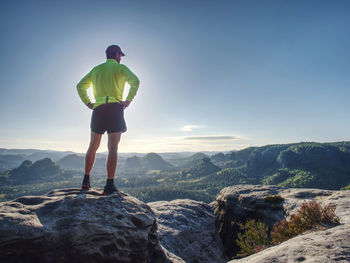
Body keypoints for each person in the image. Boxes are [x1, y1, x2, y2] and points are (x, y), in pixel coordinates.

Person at [76, 44, 140, 195]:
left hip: (98, 109)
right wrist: (128, 101)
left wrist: (89, 103)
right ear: (116, 54)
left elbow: (80, 86)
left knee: (93, 145)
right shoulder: (121, 69)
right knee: (113, 147)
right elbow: (135, 81)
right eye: (120, 56)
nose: (121, 59)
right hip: (115, 108)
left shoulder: (96, 69)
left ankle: (86, 181)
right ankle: (109, 185)